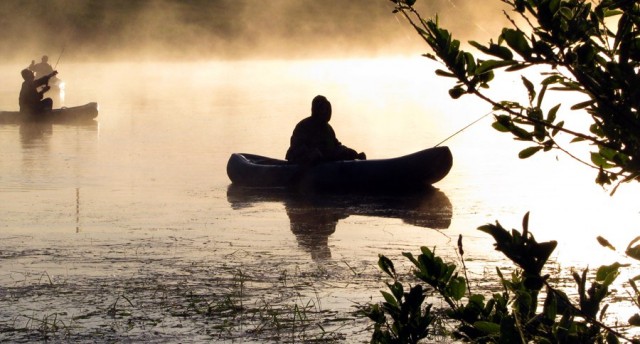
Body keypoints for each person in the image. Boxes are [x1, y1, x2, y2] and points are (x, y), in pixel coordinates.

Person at [285, 95, 366, 165]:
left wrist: (353, 154)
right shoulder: (304, 126)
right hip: (301, 165)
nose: (325, 112)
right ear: (316, 110)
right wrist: (311, 154)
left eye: (327, 109)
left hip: (324, 165)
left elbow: (336, 147)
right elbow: (296, 148)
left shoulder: (328, 129)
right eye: (323, 109)